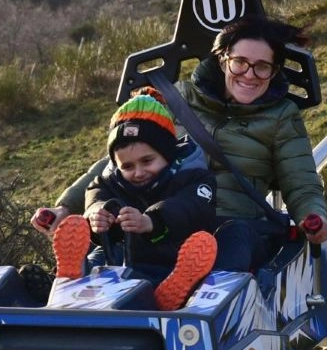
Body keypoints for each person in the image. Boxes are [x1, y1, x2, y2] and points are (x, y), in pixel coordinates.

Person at [30, 88, 218, 311]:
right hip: (118, 257)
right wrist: (95, 215)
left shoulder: (193, 178)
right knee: (97, 258)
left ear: (167, 155)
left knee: (185, 261)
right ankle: (67, 280)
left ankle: (171, 294)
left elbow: (189, 208)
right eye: (127, 166)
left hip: (171, 254)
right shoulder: (111, 181)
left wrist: (152, 221)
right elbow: (95, 193)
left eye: (147, 161)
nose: (138, 172)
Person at [176, 14, 327, 272]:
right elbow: (120, 158)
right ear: (223, 59)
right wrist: (94, 208)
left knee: (232, 243)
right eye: (240, 62)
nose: (249, 75)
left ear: (274, 71)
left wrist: (313, 217)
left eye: (262, 66)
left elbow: (301, 182)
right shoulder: (179, 98)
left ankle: (201, 289)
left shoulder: (281, 116)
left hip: (232, 227)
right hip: (171, 219)